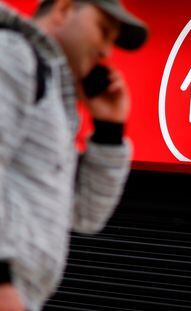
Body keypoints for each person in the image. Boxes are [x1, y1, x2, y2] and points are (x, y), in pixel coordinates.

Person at [0, 0, 147, 310]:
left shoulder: (55, 96)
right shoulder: (13, 55)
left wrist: (109, 130)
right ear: (64, 10)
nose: (107, 51)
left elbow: (85, 216)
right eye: (103, 31)